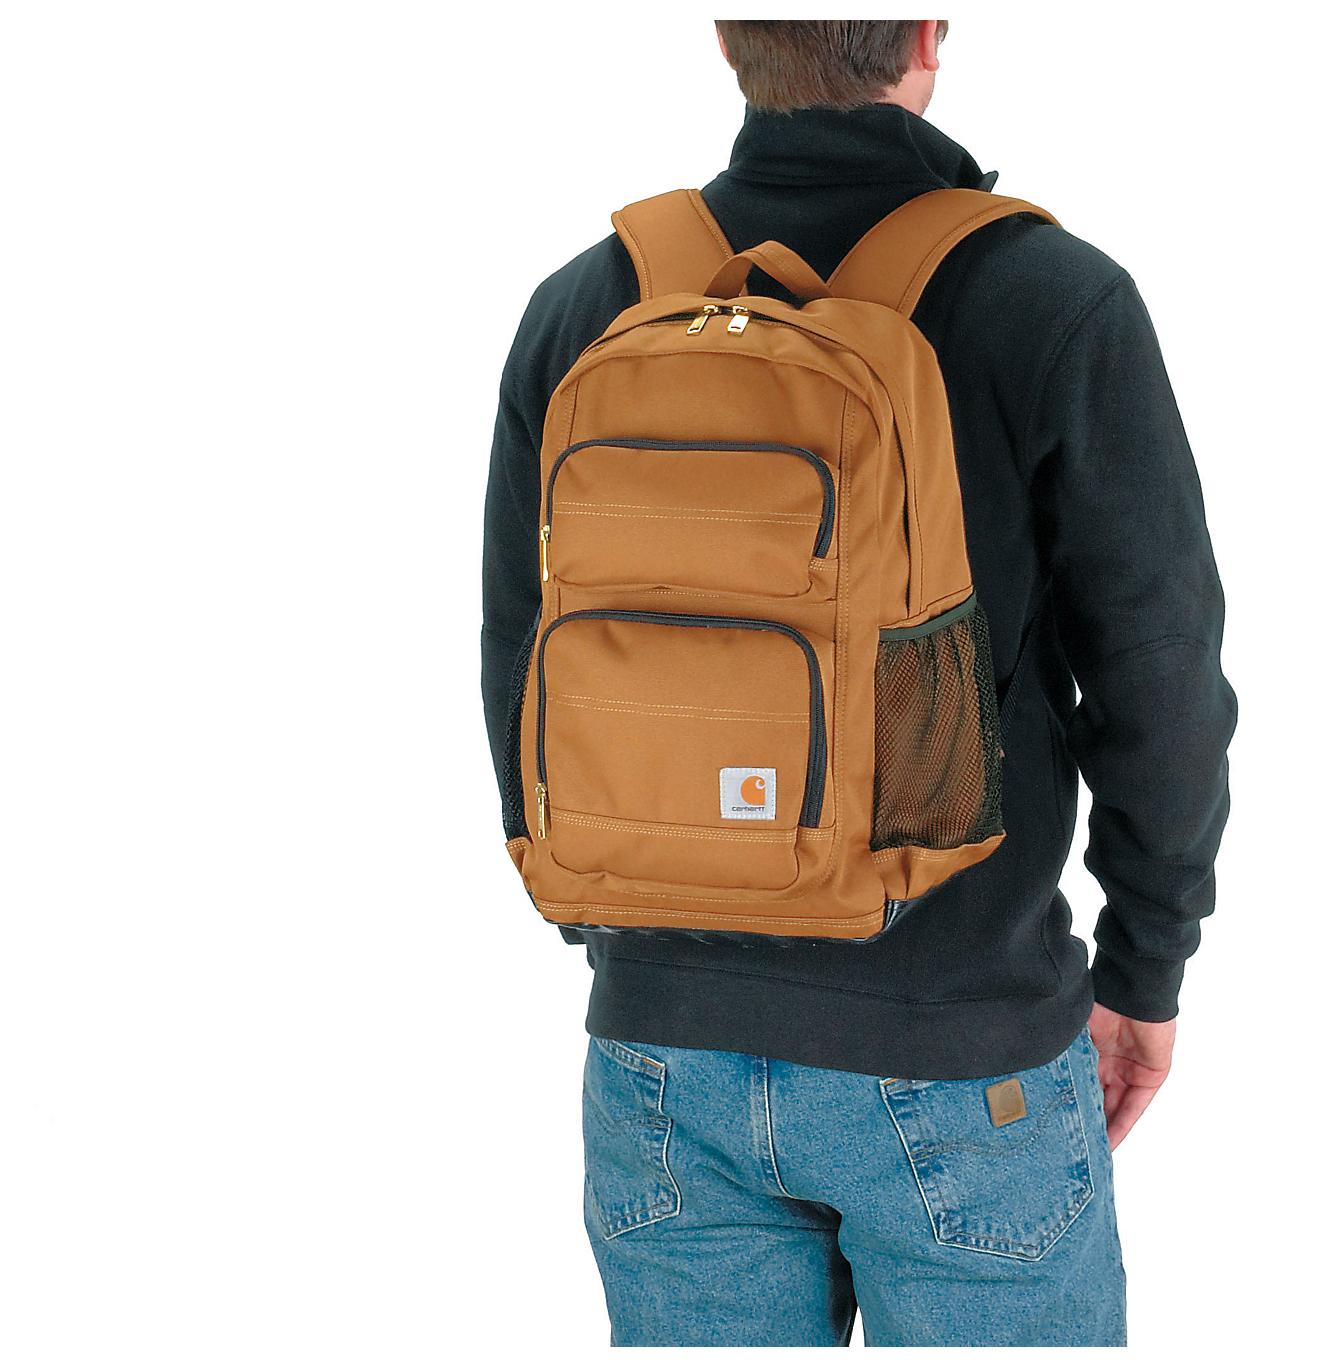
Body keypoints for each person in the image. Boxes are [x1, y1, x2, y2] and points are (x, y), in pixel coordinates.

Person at [479, 20, 1236, 1348]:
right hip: (963, 1043)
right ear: (930, 32)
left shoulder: (589, 300)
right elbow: (1159, 679)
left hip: (659, 1058)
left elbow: (518, 652)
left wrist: (638, 929)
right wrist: (1146, 966)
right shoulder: (1051, 299)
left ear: (728, 33)